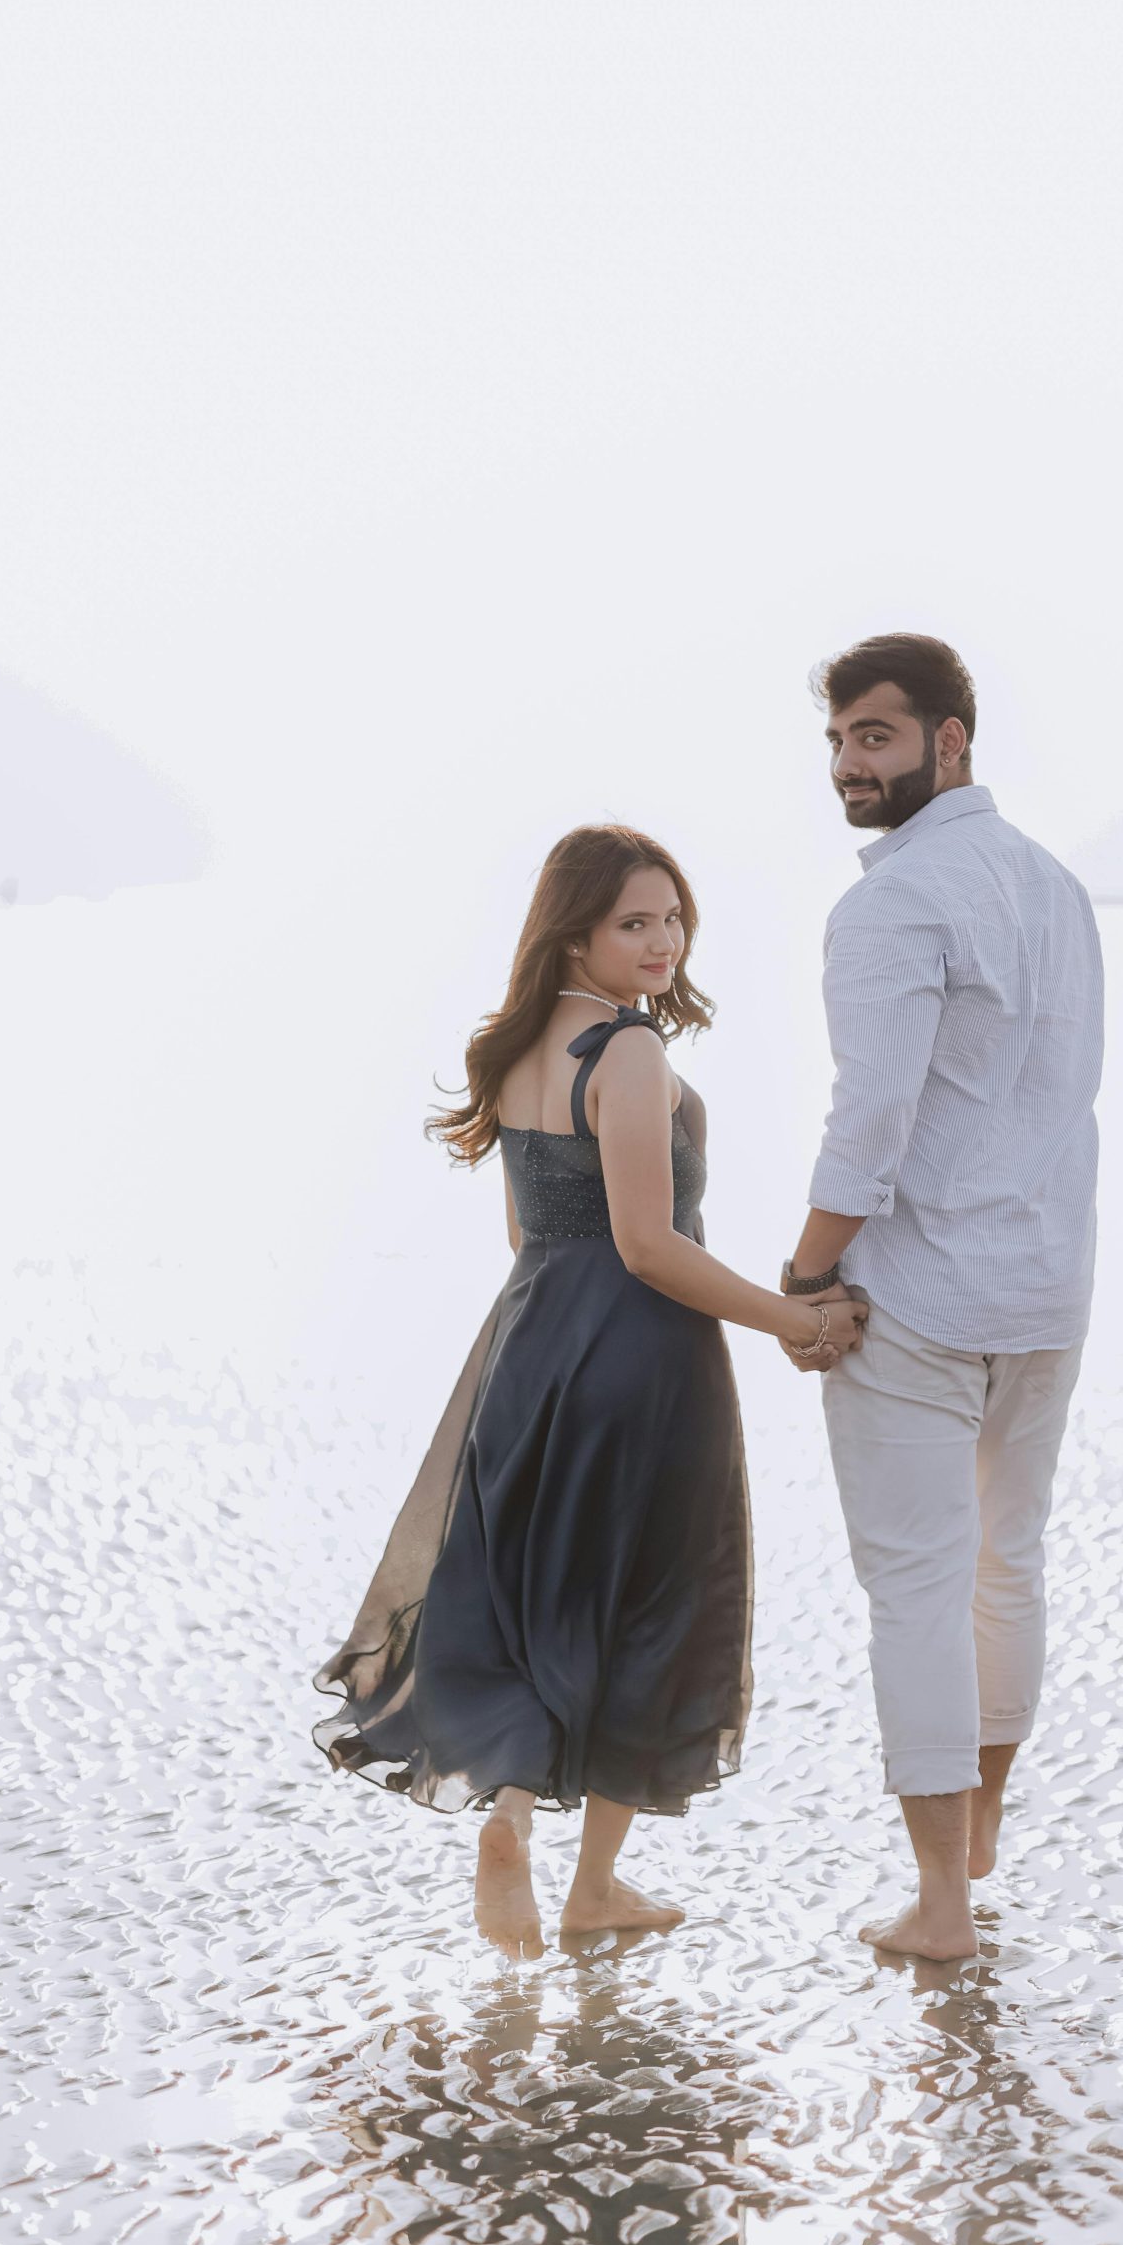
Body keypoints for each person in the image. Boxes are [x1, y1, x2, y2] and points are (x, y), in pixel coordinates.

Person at [313, 825, 865, 1956]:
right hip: (642, 1356)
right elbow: (650, 1246)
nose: (664, 943)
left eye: (673, 919)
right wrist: (794, 1320)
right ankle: (593, 1885)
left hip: (527, 1343)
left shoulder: (518, 1049)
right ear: (575, 933)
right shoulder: (628, 1052)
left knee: (538, 1594)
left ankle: (514, 1821)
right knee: (654, 1604)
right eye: (634, 923)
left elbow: (527, 1234)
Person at [777, 635, 1104, 1962]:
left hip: (917, 1296)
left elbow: (871, 1118)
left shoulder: (889, 906)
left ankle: (942, 1907)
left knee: (916, 1588)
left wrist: (806, 1274)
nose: (848, 765)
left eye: (874, 736)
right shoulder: (1057, 887)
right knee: (1004, 1562)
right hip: (1046, 1283)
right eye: (837, 741)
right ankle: (974, 1843)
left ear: (947, 740)